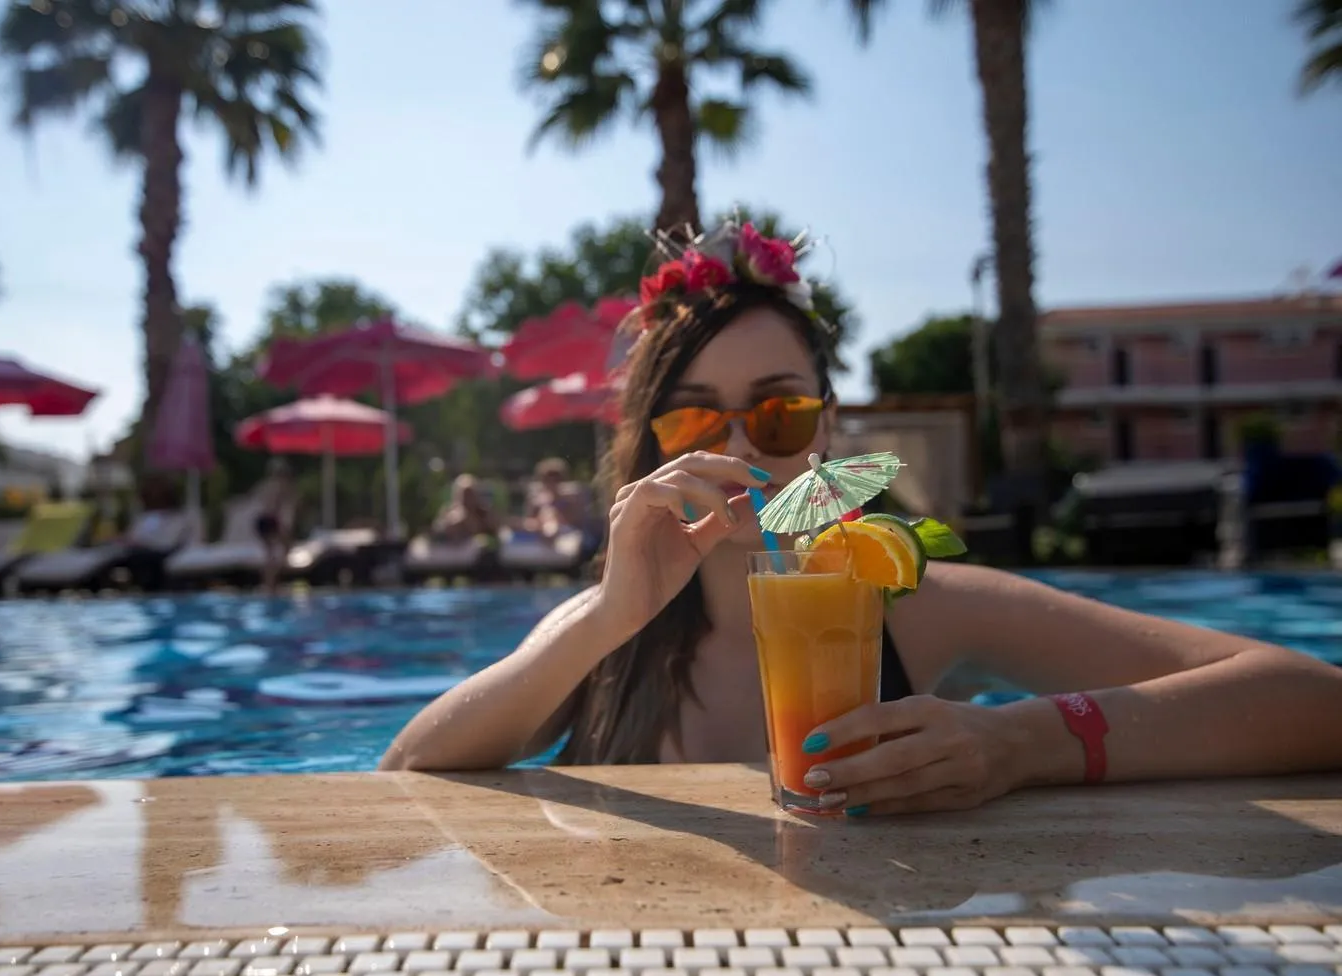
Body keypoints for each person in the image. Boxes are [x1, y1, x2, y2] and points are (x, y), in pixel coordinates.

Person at [380, 220, 1342, 815]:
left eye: (779, 410)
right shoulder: (609, 633)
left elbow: (1311, 698)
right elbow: (405, 772)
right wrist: (602, 618)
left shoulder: (911, 602)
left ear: (826, 431)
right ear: (654, 445)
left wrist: (1022, 743)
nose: (743, 447)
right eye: (696, 418)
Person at [252, 457, 297, 594]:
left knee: (270, 554)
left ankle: (269, 584)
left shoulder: (264, 484)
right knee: (284, 549)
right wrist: (283, 527)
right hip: (270, 520)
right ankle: (272, 583)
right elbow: (278, 508)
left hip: (260, 520)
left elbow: (257, 501)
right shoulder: (282, 486)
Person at [430, 473, 499, 544]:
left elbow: (494, 531)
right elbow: (436, 531)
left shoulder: (484, 513)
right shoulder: (448, 512)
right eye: (464, 494)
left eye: (470, 494)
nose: (467, 499)